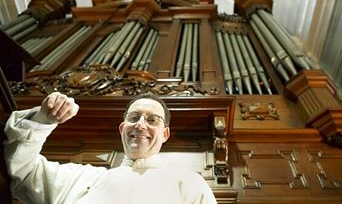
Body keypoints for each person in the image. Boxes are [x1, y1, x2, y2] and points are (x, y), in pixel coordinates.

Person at [3, 92, 217, 204]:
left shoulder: (188, 182)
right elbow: (23, 171)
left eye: (152, 120)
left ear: (165, 134)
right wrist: (42, 119)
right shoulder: (80, 178)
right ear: (123, 128)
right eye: (134, 118)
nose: (141, 124)